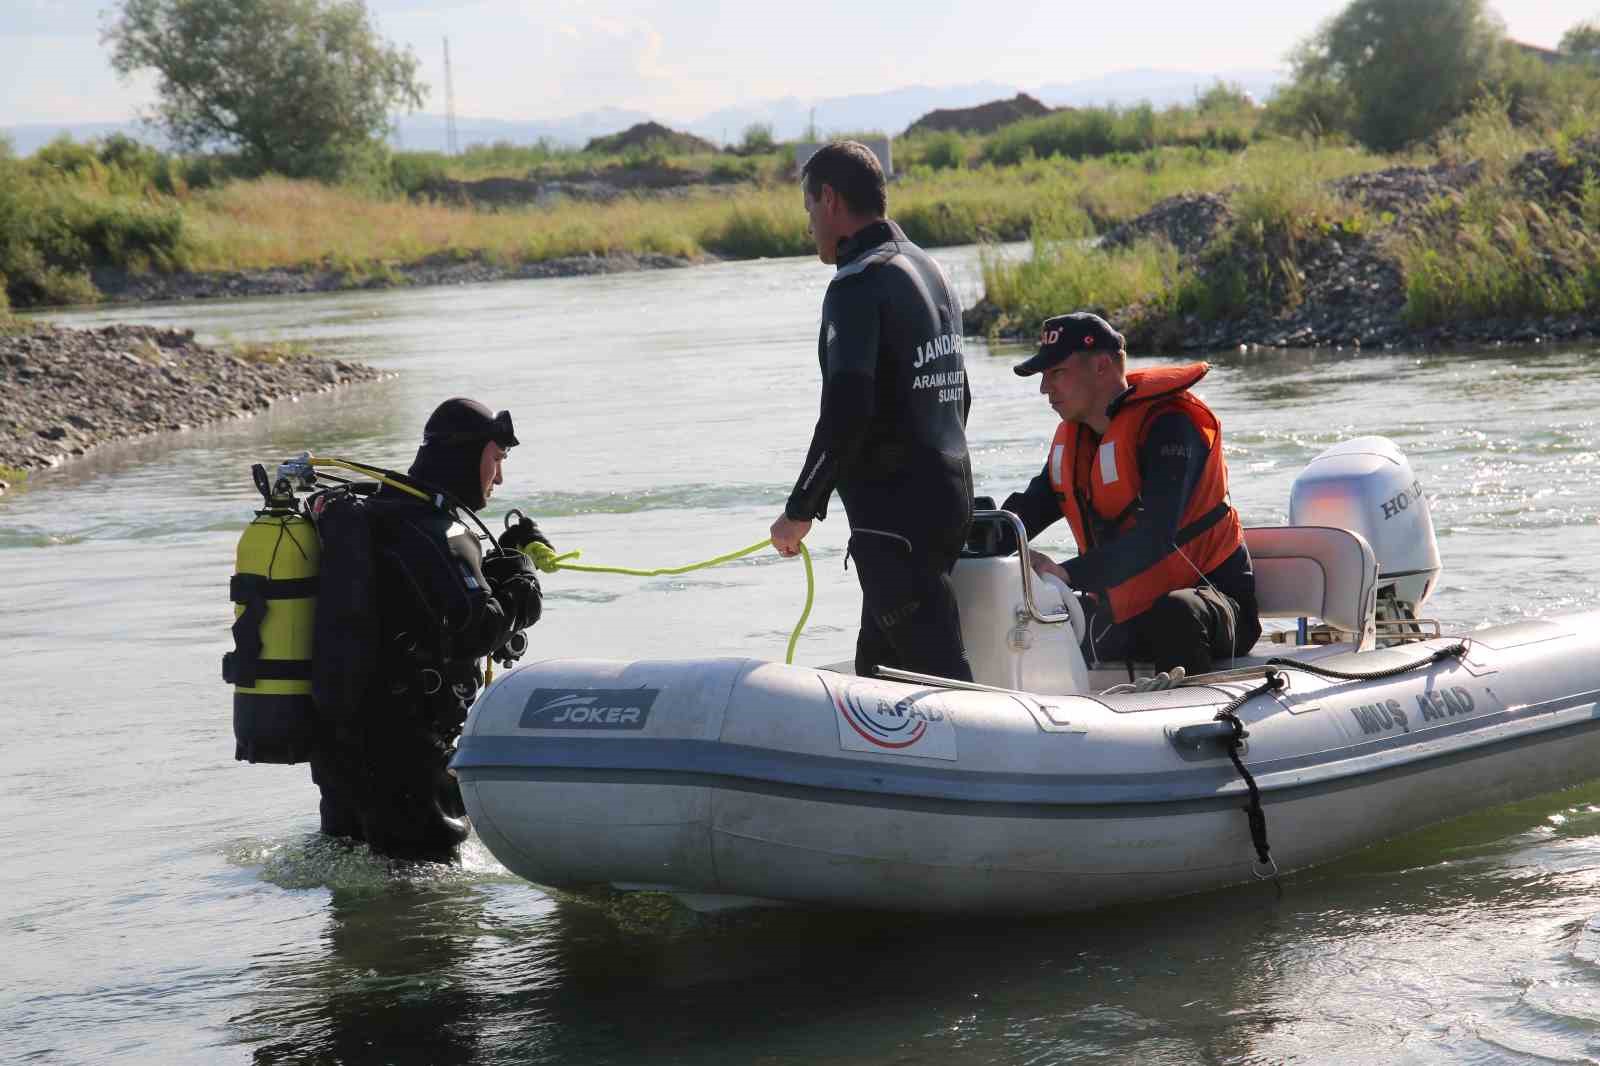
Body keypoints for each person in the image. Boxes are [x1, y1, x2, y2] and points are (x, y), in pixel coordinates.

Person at [768, 140, 975, 683]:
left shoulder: (857, 284)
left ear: (830, 199)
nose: (809, 223)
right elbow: (959, 393)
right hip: (950, 495)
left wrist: (801, 508)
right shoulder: (928, 270)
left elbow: (847, 413)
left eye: (809, 207)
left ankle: (1002, 761)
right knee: (878, 669)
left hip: (895, 521)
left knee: (939, 675)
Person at [309, 398, 546, 863]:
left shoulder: (379, 514)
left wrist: (502, 563)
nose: (499, 478)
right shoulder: (440, 531)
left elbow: (422, 607)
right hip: (406, 753)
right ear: (466, 456)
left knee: (356, 895)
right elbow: (478, 629)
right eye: (495, 460)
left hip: (341, 745)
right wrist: (524, 583)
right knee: (427, 906)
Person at [1003, 312, 1261, 676]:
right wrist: (970, 540)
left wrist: (1065, 572)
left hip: (1213, 605)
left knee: (1176, 614)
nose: (1045, 388)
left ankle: (1191, 723)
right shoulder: (1075, 444)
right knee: (1039, 617)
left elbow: (1155, 538)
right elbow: (1022, 516)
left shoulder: (1171, 425)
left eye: (1056, 372)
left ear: (1102, 367)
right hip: (1130, 610)